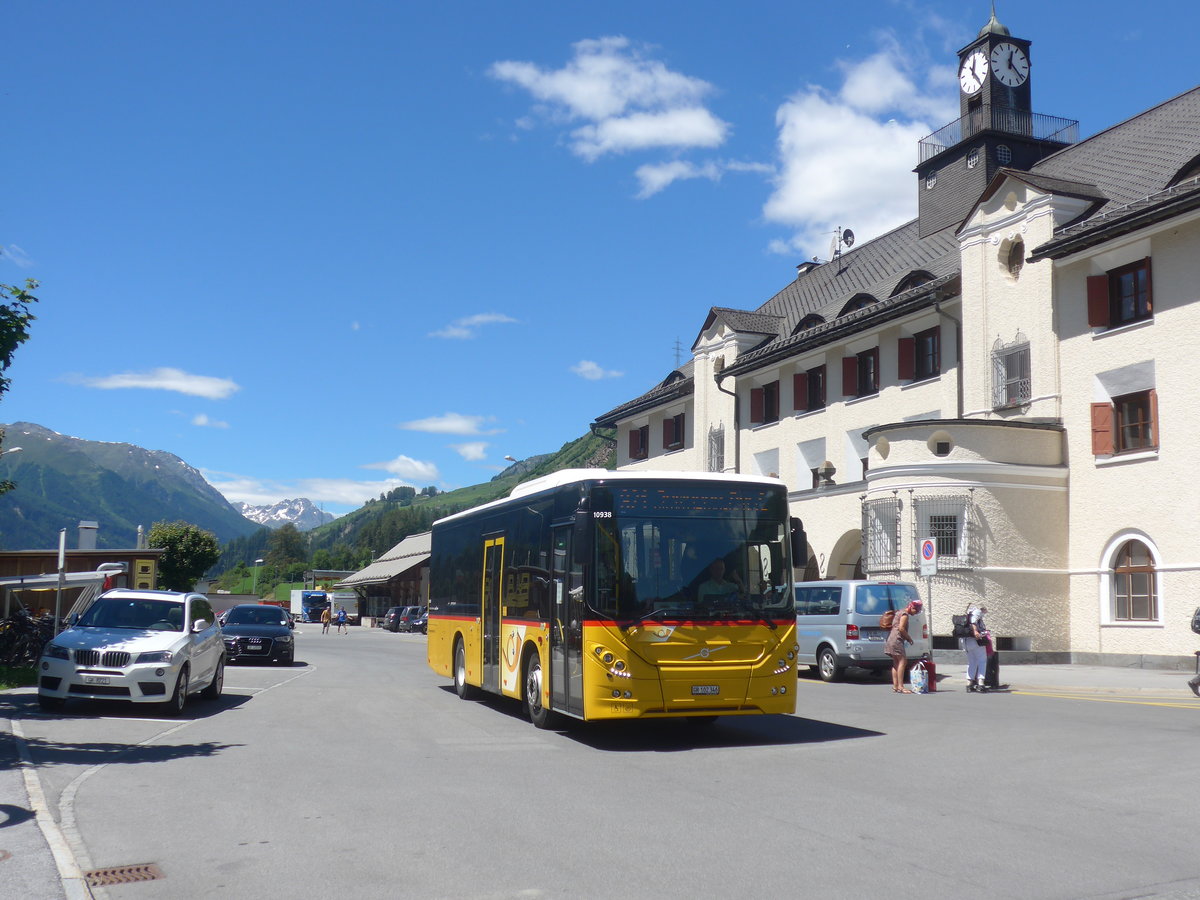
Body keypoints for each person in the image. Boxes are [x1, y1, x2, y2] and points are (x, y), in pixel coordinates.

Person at [884, 599, 922, 693]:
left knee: (896, 662)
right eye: (916, 610)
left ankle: (895, 686)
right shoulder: (904, 614)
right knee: (902, 661)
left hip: (891, 638)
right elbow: (901, 628)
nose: (916, 613)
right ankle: (901, 686)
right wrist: (909, 638)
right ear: (912, 607)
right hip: (897, 639)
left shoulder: (899, 612)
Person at [962, 603, 989, 692]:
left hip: (966, 642)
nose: (985, 612)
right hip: (975, 641)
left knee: (971, 662)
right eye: (985, 610)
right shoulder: (977, 612)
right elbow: (974, 621)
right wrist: (975, 631)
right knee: (982, 660)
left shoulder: (968, 614)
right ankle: (980, 683)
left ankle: (969, 684)